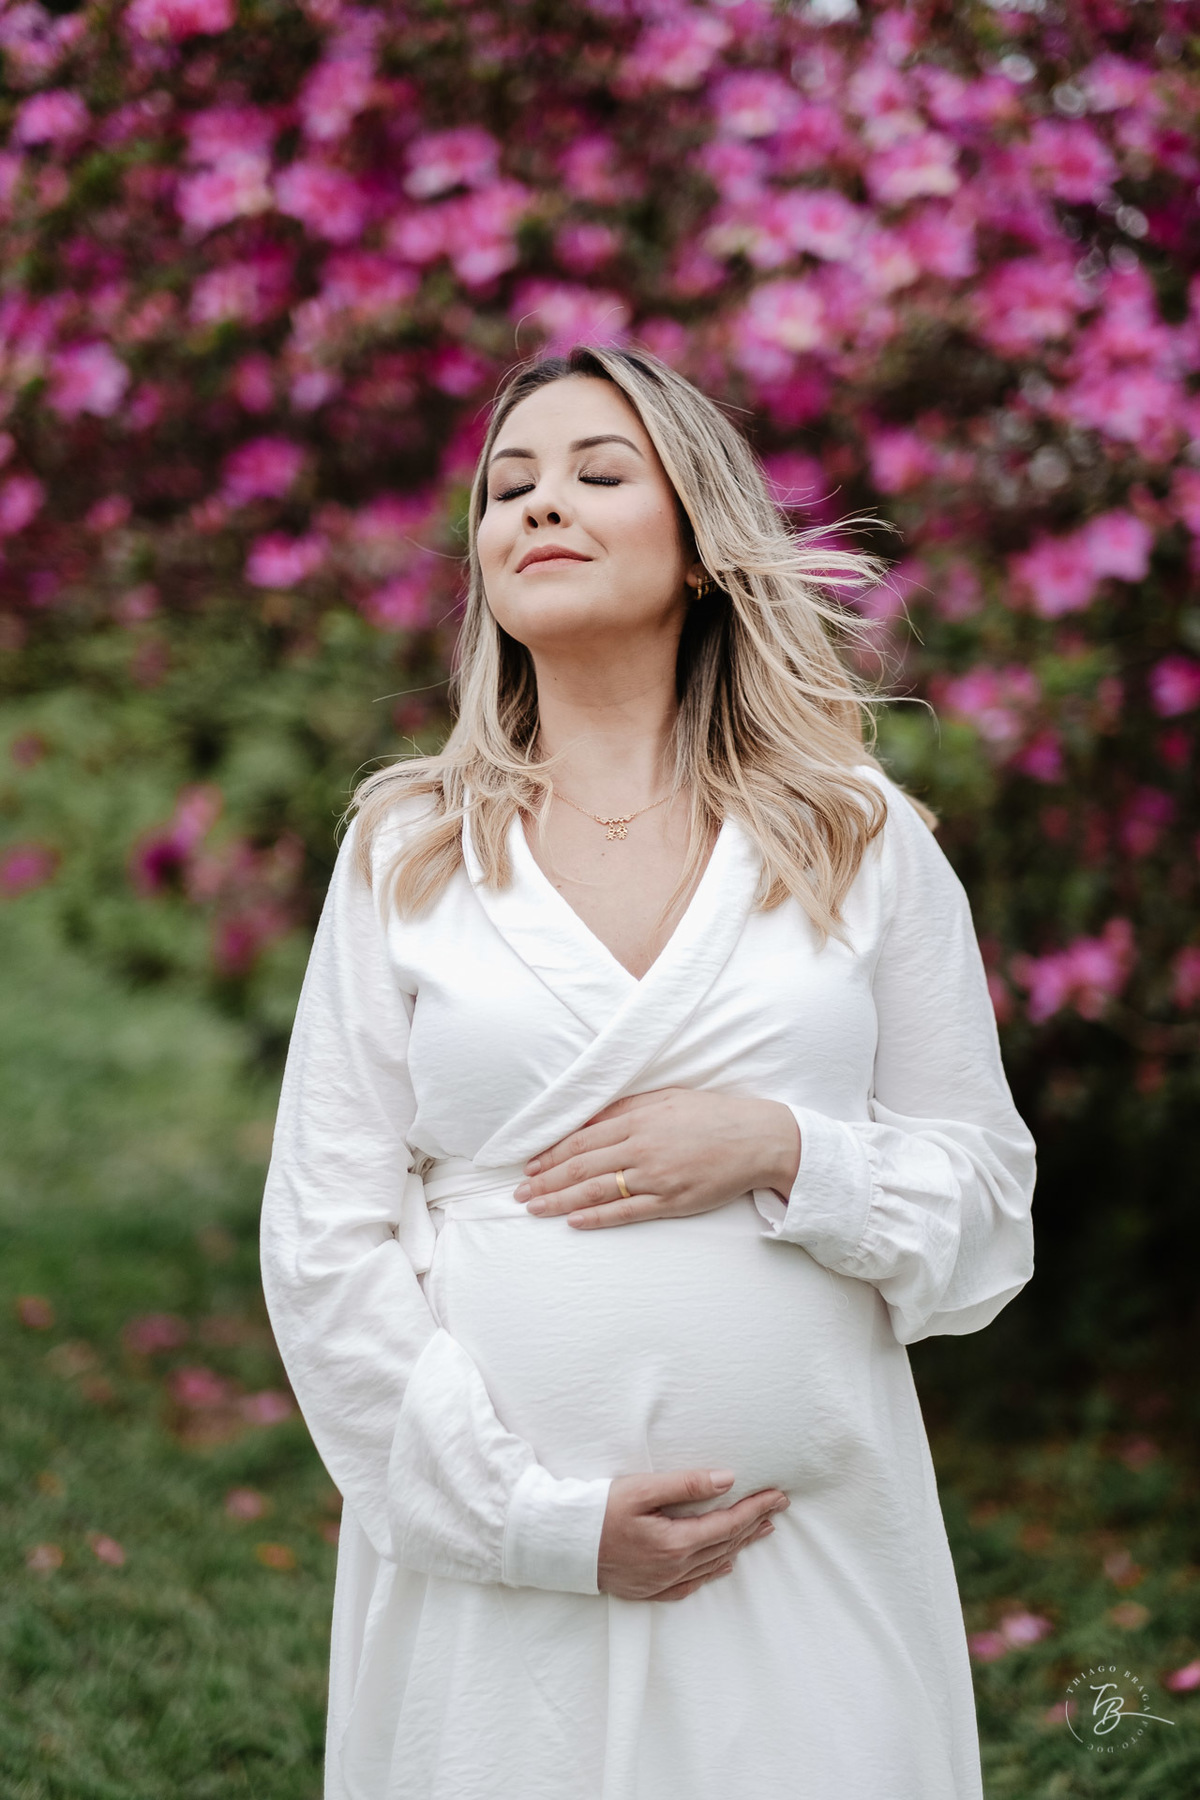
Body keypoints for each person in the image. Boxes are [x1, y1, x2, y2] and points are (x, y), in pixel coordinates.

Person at [260, 343, 1036, 1800]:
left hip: (804, 1558)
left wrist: (780, 1149)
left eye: (598, 474)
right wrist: (533, 1524)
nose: (539, 505)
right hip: (498, 1585)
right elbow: (321, 1238)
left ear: (698, 548)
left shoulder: (857, 835)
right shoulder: (407, 852)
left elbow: (987, 1217)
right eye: (510, 485)